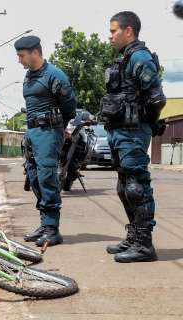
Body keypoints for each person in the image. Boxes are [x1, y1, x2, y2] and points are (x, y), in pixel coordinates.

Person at [101, 11, 166, 263]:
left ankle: (144, 245)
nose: (110, 36)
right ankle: (134, 236)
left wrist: (144, 122)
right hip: (120, 131)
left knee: (136, 187)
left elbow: (157, 98)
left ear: (129, 31)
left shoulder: (139, 56)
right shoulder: (126, 58)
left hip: (133, 131)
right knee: (124, 187)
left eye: (113, 30)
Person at [15, 35, 77, 247]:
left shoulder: (54, 75)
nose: (19, 60)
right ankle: (44, 224)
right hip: (32, 133)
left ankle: (52, 229)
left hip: (49, 132)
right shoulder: (29, 76)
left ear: (35, 52)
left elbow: (69, 105)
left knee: (47, 177)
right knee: (34, 177)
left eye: (21, 55)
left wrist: (62, 127)